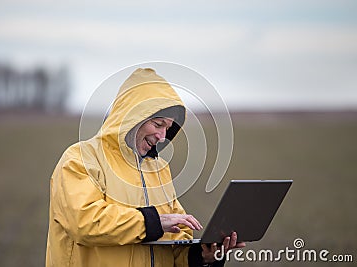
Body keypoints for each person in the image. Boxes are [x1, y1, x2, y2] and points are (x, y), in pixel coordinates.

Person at [45, 68, 245, 267]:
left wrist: (203, 256)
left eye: (167, 127)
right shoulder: (80, 158)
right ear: (132, 118)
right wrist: (153, 222)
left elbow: (174, 239)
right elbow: (84, 222)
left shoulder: (159, 169)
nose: (163, 136)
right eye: (158, 124)